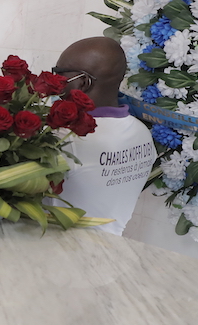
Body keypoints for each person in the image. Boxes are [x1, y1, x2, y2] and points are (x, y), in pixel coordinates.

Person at [49, 37, 156, 235]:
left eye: (60, 75)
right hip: (109, 250)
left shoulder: (67, 138)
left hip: (60, 248)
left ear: (83, 82)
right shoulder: (142, 133)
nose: (57, 84)